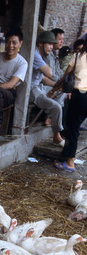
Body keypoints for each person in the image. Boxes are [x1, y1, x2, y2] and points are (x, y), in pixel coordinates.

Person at [49, 39, 87, 172]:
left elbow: (65, 78)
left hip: (80, 95)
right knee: (74, 127)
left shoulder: (77, 56)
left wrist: (52, 91)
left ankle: (70, 162)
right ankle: (66, 156)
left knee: (72, 129)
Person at [30, 30, 65, 147]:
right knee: (57, 107)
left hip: (39, 87)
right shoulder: (35, 54)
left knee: (63, 92)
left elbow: (44, 79)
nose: (51, 47)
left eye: (52, 44)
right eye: (49, 44)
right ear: (40, 43)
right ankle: (56, 136)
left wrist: (56, 88)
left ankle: (49, 116)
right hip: (30, 90)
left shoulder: (42, 54)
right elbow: (49, 73)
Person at [42, 28, 67, 127]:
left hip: (55, 84)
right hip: (45, 85)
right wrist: (60, 84)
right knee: (64, 91)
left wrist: (63, 81)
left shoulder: (55, 55)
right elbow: (49, 75)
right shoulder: (47, 55)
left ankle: (56, 119)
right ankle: (50, 115)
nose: (62, 42)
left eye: (62, 39)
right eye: (59, 39)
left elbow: (59, 73)